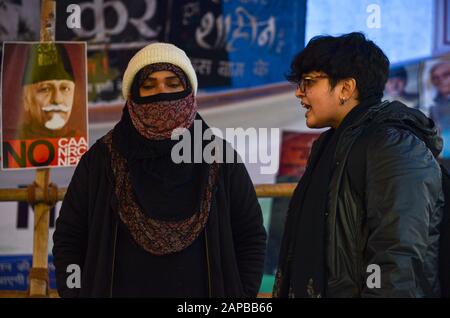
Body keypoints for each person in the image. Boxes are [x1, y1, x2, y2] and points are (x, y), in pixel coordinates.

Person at [52, 42, 267, 298]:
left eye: (173, 84)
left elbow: (250, 237)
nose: (162, 93)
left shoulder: (219, 158)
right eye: (149, 85)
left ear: (188, 90)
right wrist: (76, 294)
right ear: (133, 95)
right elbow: (69, 239)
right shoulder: (101, 161)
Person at [273, 32, 443, 298]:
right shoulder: (329, 145)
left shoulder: (394, 145)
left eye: (309, 82)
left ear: (345, 88)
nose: (298, 92)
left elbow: (398, 254)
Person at [19, 43, 77, 139]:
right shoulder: (15, 141)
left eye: (65, 88)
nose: (57, 100)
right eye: (45, 89)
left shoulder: (82, 144)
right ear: (26, 99)